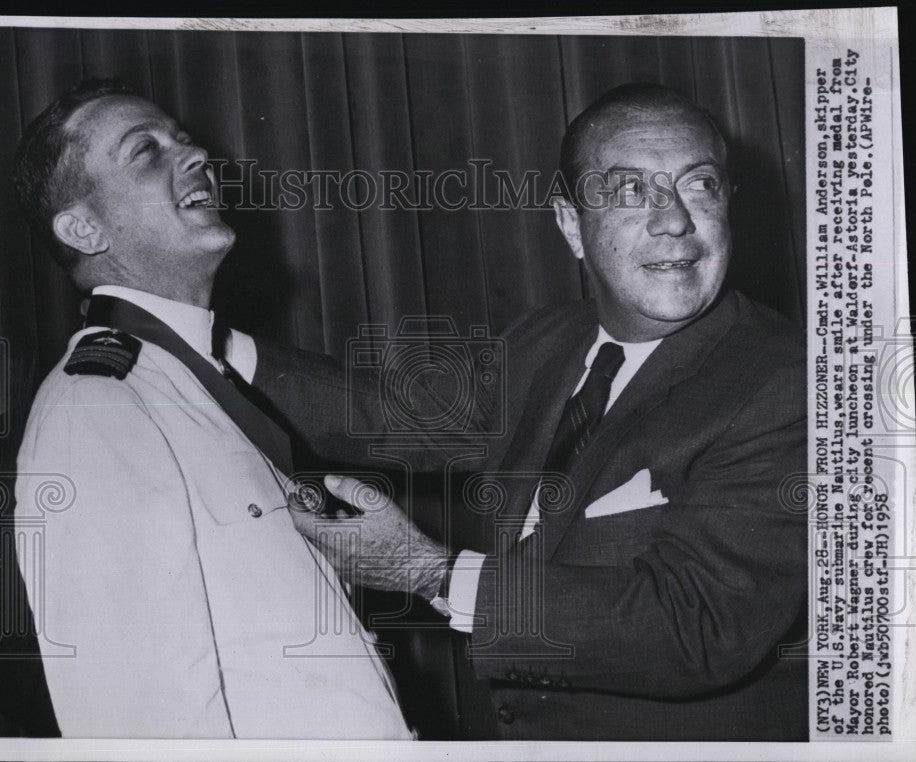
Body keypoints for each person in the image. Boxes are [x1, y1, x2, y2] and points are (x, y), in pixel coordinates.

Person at [243, 83, 808, 740]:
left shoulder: (783, 381)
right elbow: (403, 416)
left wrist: (429, 573)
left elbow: (697, 627)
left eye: (700, 185)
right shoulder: (550, 340)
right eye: (629, 191)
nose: (674, 220)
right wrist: (202, 340)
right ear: (570, 224)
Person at [10, 79, 411, 739]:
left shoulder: (202, 386)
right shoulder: (99, 407)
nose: (195, 157)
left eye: (184, 140)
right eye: (145, 151)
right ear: (83, 228)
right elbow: (140, 726)